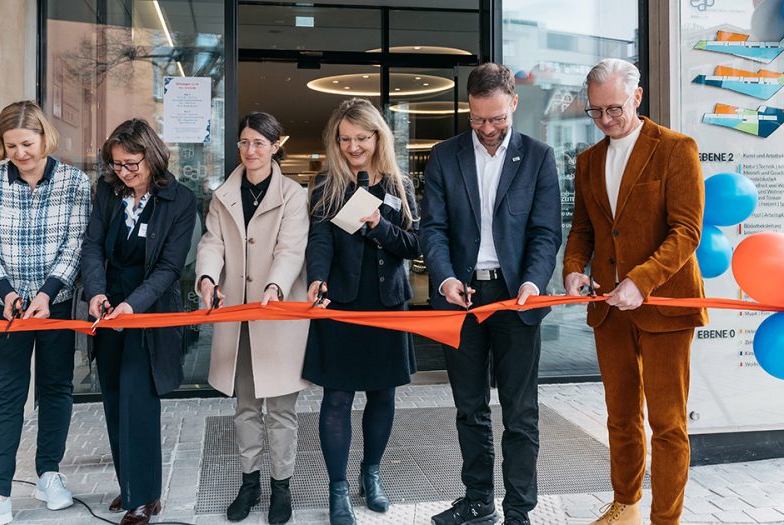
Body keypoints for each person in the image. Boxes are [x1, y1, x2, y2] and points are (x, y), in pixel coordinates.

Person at [563, 58, 707, 525]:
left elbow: (687, 231)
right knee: (620, 418)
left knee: (668, 425)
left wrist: (641, 281)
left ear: (638, 97)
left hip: (664, 306)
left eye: (615, 110)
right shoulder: (587, 160)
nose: (605, 120)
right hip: (609, 309)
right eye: (596, 111)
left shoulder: (676, 149)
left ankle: (666, 520)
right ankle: (624, 506)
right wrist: (571, 270)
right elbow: (582, 229)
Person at [420, 62, 561, 525]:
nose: (487, 129)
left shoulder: (539, 157)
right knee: (469, 407)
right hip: (460, 296)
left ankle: (518, 510)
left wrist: (533, 282)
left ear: (513, 104)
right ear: (468, 109)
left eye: (497, 118)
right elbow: (433, 229)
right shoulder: (444, 156)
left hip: (515, 296)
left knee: (520, 412)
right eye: (478, 119)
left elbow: (545, 233)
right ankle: (478, 500)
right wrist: (443, 278)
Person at [0, 100, 91, 525]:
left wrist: (48, 292)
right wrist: (7, 293)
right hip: (3, 309)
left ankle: (49, 474)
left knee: (56, 389)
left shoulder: (74, 182)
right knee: (7, 395)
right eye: (11, 145)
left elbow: (76, 245)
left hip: (54, 307)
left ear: (44, 137)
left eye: (27, 143)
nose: (20, 153)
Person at [304, 97, 420, 525]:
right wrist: (317, 278)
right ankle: (337, 490)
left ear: (378, 137)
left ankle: (371, 475)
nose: (354, 147)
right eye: (346, 139)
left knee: (382, 394)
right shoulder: (326, 185)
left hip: (388, 302)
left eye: (362, 138)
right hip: (342, 302)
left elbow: (416, 244)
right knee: (336, 397)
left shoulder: (398, 185)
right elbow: (318, 242)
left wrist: (379, 224)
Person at [80, 118, 198, 525]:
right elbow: (92, 246)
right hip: (107, 305)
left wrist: (134, 305)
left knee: (138, 397)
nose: (124, 173)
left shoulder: (179, 200)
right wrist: (95, 292)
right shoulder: (107, 192)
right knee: (113, 396)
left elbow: (169, 267)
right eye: (117, 165)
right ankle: (129, 484)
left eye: (132, 164)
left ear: (152, 156)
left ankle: (146, 497)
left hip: (149, 309)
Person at [196, 112, 310, 525]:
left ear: (276, 146)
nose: (251, 151)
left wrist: (276, 287)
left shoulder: (294, 195)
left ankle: (282, 485)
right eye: (245, 142)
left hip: (276, 315)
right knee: (245, 407)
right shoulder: (223, 194)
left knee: (280, 410)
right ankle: (250, 483)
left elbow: (291, 250)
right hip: (237, 316)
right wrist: (207, 277)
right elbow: (212, 243)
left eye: (260, 143)